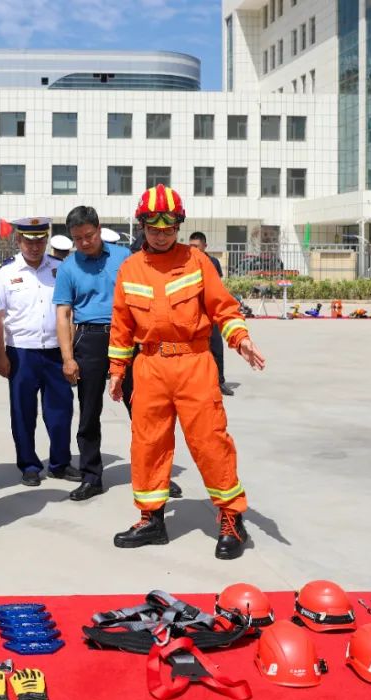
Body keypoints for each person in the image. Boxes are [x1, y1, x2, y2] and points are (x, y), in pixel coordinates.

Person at [108, 185, 266, 560]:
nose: (161, 234)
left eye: (168, 227)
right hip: (150, 367)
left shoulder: (197, 262)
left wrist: (239, 338)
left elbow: (223, 307)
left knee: (211, 443)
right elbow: (121, 325)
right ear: (142, 226)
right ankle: (151, 519)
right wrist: (117, 370)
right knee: (148, 445)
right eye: (153, 227)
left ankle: (231, 519)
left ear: (178, 225)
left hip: (194, 364)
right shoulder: (130, 269)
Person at [53, 206, 132, 502]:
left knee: (142, 409)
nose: (84, 243)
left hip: (127, 337)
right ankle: (91, 476)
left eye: (88, 235)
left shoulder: (124, 257)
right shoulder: (69, 268)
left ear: (99, 229)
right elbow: (63, 314)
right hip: (89, 339)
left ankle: (155, 473)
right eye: (78, 238)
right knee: (88, 412)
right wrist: (67, 357)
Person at [0, 217, 77, 486]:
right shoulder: (4, 273)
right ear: (18, 241)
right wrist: (1, 355)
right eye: (28, 240)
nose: (34, 246)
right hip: (21, 353)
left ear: (47, 240)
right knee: (23, 412)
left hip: (55, 351)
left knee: (61, 411)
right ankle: (29, 465)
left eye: (40, 240)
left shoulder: (61, 269)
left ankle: (60, 463)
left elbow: (69, 312)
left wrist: (69, 354)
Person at [188, 231, 231, 396]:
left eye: (196, 246)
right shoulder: (185, 263)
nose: (193, 249)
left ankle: (220, 381)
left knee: (216, 348)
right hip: (191, 314)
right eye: (191, 246)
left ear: (205, 246)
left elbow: (218, 288)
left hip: (210, 313)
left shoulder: (213, 262)